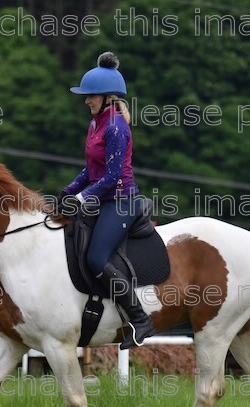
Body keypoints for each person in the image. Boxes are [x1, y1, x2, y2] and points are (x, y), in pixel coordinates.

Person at [60, 51, 155, 349]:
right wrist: (69, 190)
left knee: (96, 257)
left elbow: (112, 177)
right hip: (102, 198)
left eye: (91, 96)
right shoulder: (96, 124)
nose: (86, 100)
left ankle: (140, 319)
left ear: (107, 97)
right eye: (86, 96)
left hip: (121, 202)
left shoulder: (115, 127)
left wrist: (82, 197)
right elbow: (92, 169)